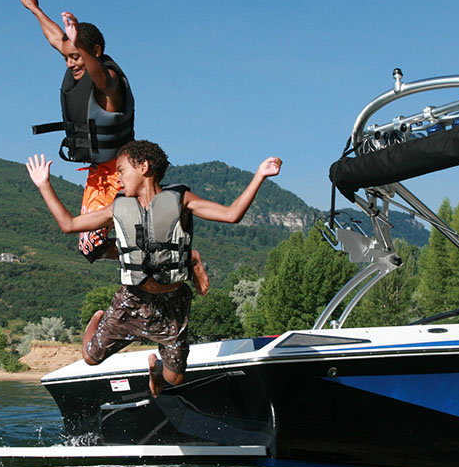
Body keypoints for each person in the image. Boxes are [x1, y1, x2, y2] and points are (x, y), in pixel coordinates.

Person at [26, 139, 282, 396]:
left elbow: (231, 214)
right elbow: (69, 224)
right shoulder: (118, 206)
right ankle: (97, 318)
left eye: (122, 170)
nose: (118, 179)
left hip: (173, 302)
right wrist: (44, 184)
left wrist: (260, 175)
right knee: (91, 357)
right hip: (133, 298)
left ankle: (158, 368)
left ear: (144, 167)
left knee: (175, 378)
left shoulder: (181, 200)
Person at [20, 0, 209, 293]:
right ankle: (180, 257)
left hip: (121, 174)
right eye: (67, 57)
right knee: (89, 248)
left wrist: (79, 45)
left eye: (77, 56)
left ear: (93, 50)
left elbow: (100, 78)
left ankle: (187, 259)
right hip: (97, 173)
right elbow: (57, 38)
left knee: (131, 237)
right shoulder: (76, 61)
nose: (70, 63)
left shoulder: (109, 83)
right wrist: (34, 9)